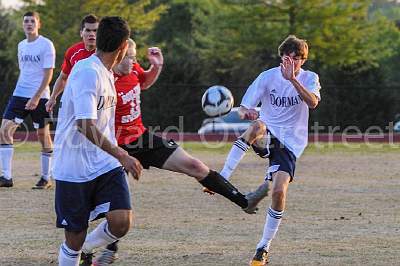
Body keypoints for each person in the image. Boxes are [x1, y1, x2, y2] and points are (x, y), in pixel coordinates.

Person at [80, 38, 261, 265]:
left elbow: (143, 82)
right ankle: (94, 248)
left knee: (195, 166)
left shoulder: (133, 69)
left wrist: (156, 67)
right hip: (114, 148)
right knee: (114, 208)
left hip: (142, 138)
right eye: (129, 57)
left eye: (135, 57)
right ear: (116, 55)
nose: (134, 62)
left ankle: (244, 201)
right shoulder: (103, 79)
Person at [218, 35, 321, 266]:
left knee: (278, 192)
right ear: (281, 57)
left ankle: (263, 247)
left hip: (290, 144)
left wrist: (293, 80)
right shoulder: (267, 77)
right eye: (287, 57)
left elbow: (313, 102)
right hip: (267, 132)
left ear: (303, 61)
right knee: (257, 125)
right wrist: (248, 112)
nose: (291, 62)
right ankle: (222, 177)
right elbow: (245, 108)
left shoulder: (310, 78)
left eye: (297, 59)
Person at [53, 16, 143, 266]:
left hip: (104, 164)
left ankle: (86, 250)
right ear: (124, 46)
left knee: (121, 221)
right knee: (74, 236)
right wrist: (122, 155)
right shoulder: (86, 73)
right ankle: (76, 252)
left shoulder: (106, 73)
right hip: (74, 167)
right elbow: (84, 124)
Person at [0, 11, 55, 189]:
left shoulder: (46, 44)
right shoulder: (21, 45)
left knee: (43, 136)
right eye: (26, 21)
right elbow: (24, 71)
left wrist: (36, 97)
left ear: (39, 24)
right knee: (4, 131)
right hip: (19, 94)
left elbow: (48, 74)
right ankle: (6, 177)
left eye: (32, 21)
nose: (29, 24)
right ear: (23, 25)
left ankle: (46, 178)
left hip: (41, 96)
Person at [45, 14, 99, 113]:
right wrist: (53, 97)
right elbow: (63, 78)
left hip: (100, 101)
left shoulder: (106, 52)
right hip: (77, 100)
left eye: (95, 31)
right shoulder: (72, 52)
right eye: (88, 30)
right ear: (81, 33)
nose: (92, 34)